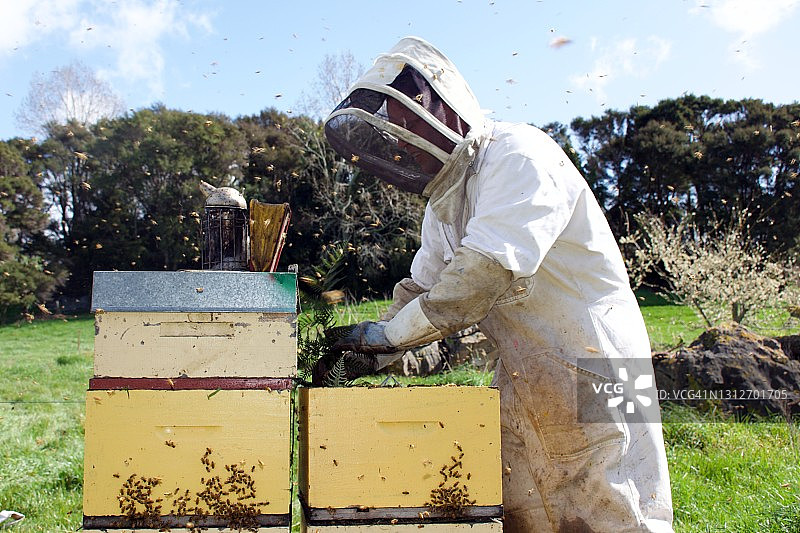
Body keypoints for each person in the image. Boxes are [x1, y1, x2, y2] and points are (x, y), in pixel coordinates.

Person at [324, 36, 674, 532]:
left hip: (606, 363)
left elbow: (475, 283)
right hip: (521, 373)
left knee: (618, 506)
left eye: (409, 123)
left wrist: (386, 339)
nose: (403, 142)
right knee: (523, 511)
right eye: (397, 133)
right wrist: (370, 350)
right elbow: (424, 295)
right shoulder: (443, 208)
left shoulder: (520, 155)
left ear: (446, 108)